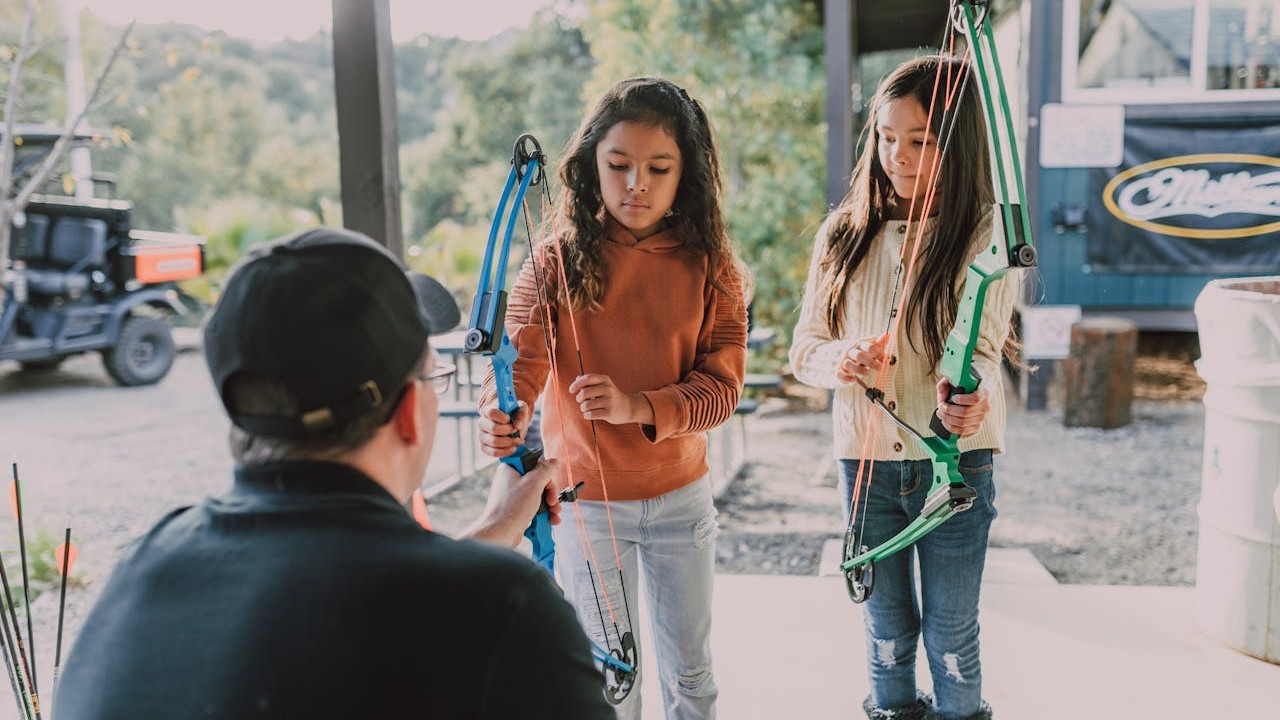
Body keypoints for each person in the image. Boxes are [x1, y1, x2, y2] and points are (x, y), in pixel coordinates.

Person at [54, 228, 616, 720]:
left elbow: (321, 602)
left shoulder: (145, 569)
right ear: (406, 416)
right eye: (432, 375)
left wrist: (495, 528)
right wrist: (491, 571)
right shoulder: (502, 609)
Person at [476, 77, 749, 720]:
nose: (637, 184)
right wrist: (503, 411)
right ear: (590, 164)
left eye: (659, 168)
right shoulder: (555, 260)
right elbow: (515, 357)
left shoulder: (712, 264)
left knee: (693, 676)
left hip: (682, 498)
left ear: (688, 173)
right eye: (618, 165)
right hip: (588, 506)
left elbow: (724, 386)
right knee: (611, 680)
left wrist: (636, 407)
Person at [790, 55, 1020, 720]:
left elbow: (976, 350)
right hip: (864, 466)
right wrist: (840, 359)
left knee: (951, 638)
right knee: (888, 637)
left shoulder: (986, 234)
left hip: (955, 465)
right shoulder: (843, 233)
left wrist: (965, 397)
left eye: (921, 140)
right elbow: (805, 347)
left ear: (958, 143)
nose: (899, 155)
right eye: (887, 137)